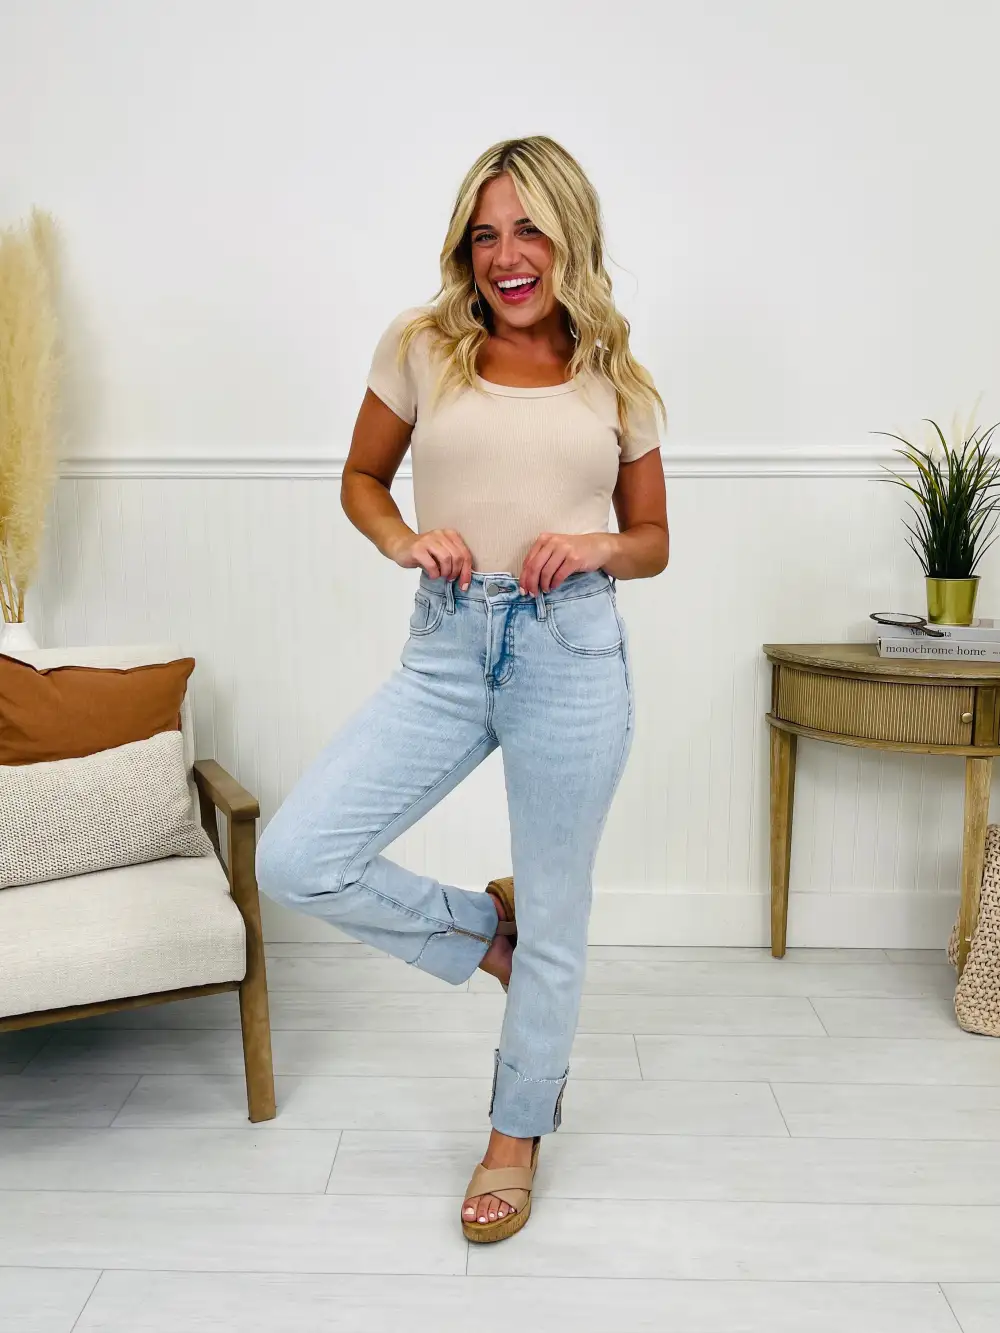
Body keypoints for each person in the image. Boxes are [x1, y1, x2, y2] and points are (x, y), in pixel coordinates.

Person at [256, 135, 669, 1243]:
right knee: (297, 856)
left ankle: (515, 1134)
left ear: (570, 236)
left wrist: (595, 547)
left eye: (530, 229)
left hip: (571, 650)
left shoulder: (618, 376)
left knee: (563, 915)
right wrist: (400, 536)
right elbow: (361, 476)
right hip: (445, 645)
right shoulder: (422, 344)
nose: (506, 256)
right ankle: (489, 932)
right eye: (485, 235)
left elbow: (652, 540)